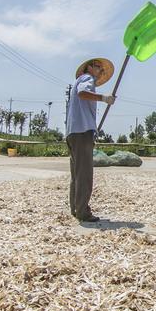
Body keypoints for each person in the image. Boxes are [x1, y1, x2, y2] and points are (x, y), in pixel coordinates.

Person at [66, 58, 116, 223]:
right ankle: (82, 212)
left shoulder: (80, 80)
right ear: (88, 67)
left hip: (74, 132)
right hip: (82, 131)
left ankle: (75, 208)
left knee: (77, 174)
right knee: (84, 174)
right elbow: (82, 93)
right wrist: (104, 98)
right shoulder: (87, 79)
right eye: (98, 67)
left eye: (102, 69)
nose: (100, 70)